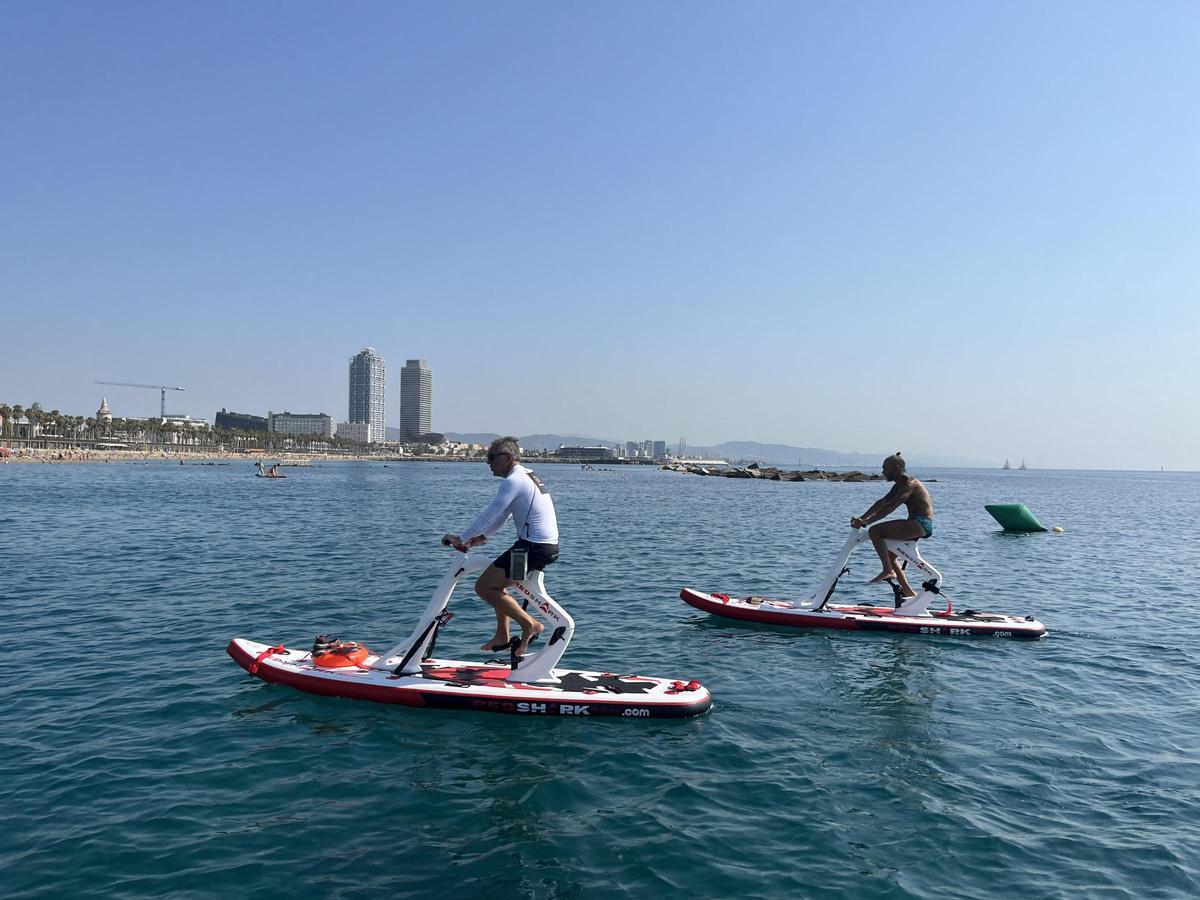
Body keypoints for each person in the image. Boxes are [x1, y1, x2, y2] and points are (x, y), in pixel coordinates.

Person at [441, 436, 560, 656]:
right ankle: (502, 635)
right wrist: (483, 537)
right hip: (538, 546)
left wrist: (460, 537)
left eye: (491, 458)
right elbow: (504, 514)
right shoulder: (524, 475)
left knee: (484, 587)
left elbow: (490, 513)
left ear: (507, 457)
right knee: (498, 586)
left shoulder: (513, 480)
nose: (488, 463)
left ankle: (530, 625)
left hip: (532, 548)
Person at [850, 453, 933, 598]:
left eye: (885, 468)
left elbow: (891, 507)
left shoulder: (909, 483)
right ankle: (909, 593)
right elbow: (882, 503)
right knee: (891, 557)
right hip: (914, 523)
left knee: (875, 531)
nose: (882, 472)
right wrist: (861, 518)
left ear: (896, 468)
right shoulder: (898, 485)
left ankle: (887, 570)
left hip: (920, 523)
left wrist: (868, 522)